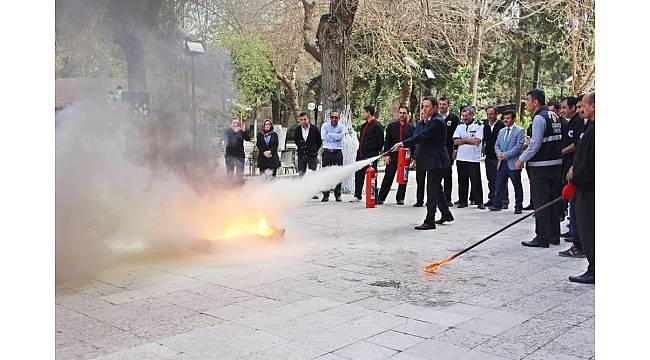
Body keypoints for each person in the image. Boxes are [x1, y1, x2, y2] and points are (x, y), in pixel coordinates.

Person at [391, 97, 453, 230]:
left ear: (435, 108)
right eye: (423, 106)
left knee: (432, 190)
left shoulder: (437, 122)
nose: (424, 109)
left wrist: (402, 143)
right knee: (437, 189)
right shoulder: (430, 121)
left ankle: (429, 221)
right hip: (433, 160)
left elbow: (421, 137)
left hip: (437, 161)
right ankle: (446, 214)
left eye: (427, 106)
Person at [515, 89, 563, 248]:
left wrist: (521, 159)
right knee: (552, 202)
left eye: (528, 100)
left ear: (535, 102)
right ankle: (554, 236)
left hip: (541, 167)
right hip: (555, 165)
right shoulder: (553, 115)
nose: (526, 103)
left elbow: (535, 144)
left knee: (541, 203)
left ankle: (542, 237)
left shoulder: (539, 118)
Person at [566, 91, 595, 284]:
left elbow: (590, 163)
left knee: (589, 229)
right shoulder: (590, 127)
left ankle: (594, 269)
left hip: (589, 190)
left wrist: (574, 181)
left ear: (594, 106)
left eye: (583, 105)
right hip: (584, 186)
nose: (580, 108)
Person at [558, 96, 587, 258]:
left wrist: (573, 167)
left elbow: (578, 147)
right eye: (579, 106)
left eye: (583, 106)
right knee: (574, 209)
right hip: (572, 170)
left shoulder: (582, 124)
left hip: (580, 177)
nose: (580, 109)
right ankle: (575, 238)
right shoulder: (582, 123)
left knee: (578, 211)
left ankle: (579, 245)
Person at [377, 106, 415, 205]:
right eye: (400, 113)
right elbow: (387, 141)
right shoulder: (391, 126)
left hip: (405, 156)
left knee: (403, 177)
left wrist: (412, 157)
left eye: (404, 113)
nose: (402, 115)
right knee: (388, 176)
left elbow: (413, 143)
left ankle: (400, 198)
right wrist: (386, 155)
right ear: (398, 113)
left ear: (408, 114)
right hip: (393, 155)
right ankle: (381, 198)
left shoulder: (411, 127)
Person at [489, 111, 525, 213]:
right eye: (504, 118)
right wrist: (499, 154)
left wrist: (505, 155)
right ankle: (497, 204)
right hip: (501, 162)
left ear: (513, 119)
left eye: (508, 118)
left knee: (517, 185)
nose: (505, 120)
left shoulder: (519, 131)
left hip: (513, 162)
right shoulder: (502, 131)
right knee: (499, 184)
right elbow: (496, 145)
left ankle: (518, 206)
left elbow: (518, 147)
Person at [453, 107, 485, 209]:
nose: (465, 118)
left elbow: (476, 141)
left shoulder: (479, 126)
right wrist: (467, 140)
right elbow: (455, 141)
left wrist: (462, 140)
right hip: (461, 158)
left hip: (473, 158)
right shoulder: (460, 126)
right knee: (462, 181)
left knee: (475, 181)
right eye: (463, 116)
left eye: (467, 116)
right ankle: (463, 201)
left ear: (472, 115)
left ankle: (479, 201)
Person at [352, 105, 384, 202]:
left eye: (363, 112)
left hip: (371, 155)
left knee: (372, 176)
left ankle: (373, 197)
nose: (363, 114)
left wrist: (375, 152)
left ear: (368, 113)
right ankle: (357, 195)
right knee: (358, 175)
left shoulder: (377, 125)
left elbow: (381, 141)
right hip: (361, 154)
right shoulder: (364, 126)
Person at [483, 106, 508, 208]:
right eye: (488, 114)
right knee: (491, 179)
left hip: (499, 156)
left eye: (491, 114)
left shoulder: (502, 125)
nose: (489, 116)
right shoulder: (485, 126)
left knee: (501, 179)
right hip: (489, 156)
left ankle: (504, 201)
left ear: (496, 114)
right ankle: (492, 198)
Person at [438, 96, 460, 207]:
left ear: (448, 105)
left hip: (448, 151)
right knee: (435, 175)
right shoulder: (435, 117)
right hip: (436, 152)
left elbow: (456, 136)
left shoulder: (454, 118)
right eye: (440, 104)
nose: (442, 106)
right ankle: (435, 198)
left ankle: (447, 199)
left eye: (444, 104)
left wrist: (455, 150)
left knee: (447, 175)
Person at [321, 110, 347, 202]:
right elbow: (323, 137)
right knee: (325, 174)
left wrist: (330, 135)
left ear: (339, 118)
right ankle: (325, 195)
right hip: (327, 152)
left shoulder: (342, 126)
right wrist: (336, 136)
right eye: (332, 117)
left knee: (339, 174)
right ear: (330, 118)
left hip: (337, 152)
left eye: (336, 117)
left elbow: (341, 137)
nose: (334, 119)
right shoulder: (325, 125)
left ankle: (337, 195)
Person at [224, 117, 251, 184]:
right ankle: (230, 189)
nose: (236, 124)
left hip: (240, 156)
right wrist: (234, 132)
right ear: (231, 123)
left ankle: (238, 189)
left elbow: (248, 138)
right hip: (229, 156)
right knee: (230, 174)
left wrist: (244, 131)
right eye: (234, 123)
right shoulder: (227, 131)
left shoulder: (241, 131)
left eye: (237, 123)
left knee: (239, 174)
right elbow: (227, 140)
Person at [411, 108, 427, 207]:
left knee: (431, 181)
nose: (422, 115)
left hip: (429, 156)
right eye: (421, 113)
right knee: (420, 180)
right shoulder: (419, 125)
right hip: (420, 156)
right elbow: (415, 140)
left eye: (424, 113)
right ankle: (419, 200)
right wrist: (414, 156)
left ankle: (430, 200)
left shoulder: (432, 124)